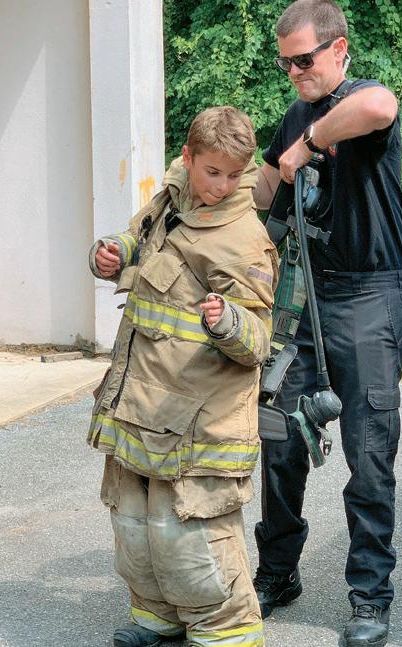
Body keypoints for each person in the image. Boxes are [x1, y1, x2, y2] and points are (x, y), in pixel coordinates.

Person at [252, 2, 402, 646]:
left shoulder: (356, 100)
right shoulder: (294, 114)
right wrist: (205, 174)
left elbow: (379, 107)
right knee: (279, 439)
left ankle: (369, 596)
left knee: (368, 453)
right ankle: (277, 571)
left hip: (371, 296)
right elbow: (263, 190)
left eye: (304, 59)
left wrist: (311, 143)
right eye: (284, 63)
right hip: (305, 299)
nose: (294, 72)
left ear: (338, 49)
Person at [87, 105, 278, 647]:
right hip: (141, 401)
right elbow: (137, 238)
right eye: (212, 172)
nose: (222, 186)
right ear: (188, 158)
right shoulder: (171, 198)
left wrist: (229, 321)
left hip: (201, 418)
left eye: (234, 175)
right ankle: (157, 616)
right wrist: (111, 254)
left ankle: (227, 632)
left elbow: (258, 340)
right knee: (135, 522)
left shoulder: (244, 238)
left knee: (190, 532)